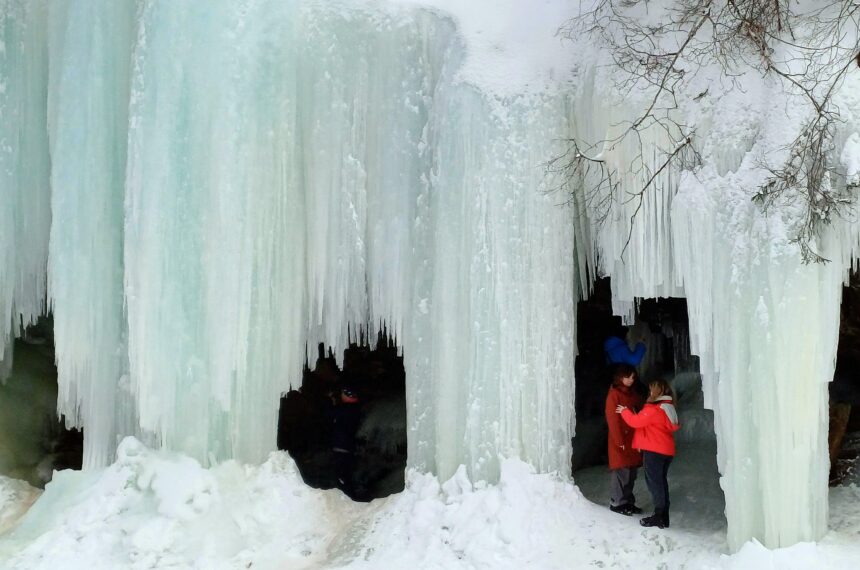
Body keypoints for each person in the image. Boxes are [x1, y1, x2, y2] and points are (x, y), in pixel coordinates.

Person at [616, 378, 680, 528]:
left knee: (655, 484)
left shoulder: (655, 409)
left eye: (652, 389)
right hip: (666, 451)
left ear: (657, 392)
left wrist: (624, 411)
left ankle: (659, 516)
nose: (649, 392)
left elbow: (636, 422)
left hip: (654, 451)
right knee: (661, 483)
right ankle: (664, 516)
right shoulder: (668, 407)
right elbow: (649, 426)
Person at [605, 363, 643, 515]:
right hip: (621, 439)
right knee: (621, 472)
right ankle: (617, 502)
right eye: (627, 377)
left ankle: (627, 501)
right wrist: (619, 441)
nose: (630, 380)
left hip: (632, 438)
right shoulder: (614, 394)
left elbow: (639, 410)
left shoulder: (631, 393)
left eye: (633, 377)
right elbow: (612, 419)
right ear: (620, 377)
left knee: (631, 473)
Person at [328, 386, 362, 496]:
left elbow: (331, 414)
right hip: (348, 446)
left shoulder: (347, 409)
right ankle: (349, 493)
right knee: (346, 473)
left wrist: (331, 401)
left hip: (342, 446)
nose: (341, 396)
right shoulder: (355, 409)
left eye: (343, 394)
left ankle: (347, 495)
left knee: (341, 475)